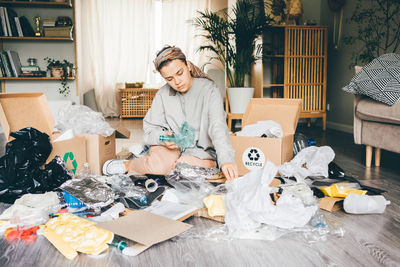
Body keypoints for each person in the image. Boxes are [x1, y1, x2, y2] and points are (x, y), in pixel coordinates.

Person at [103, 46, 239, 181]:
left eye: (180, 73)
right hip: (169, 148)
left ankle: (210, 163)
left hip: (201, 151)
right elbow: (150, 131)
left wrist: (226, 159)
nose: (177, 82)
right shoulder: (163, 94)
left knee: (183, 168)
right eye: (169, 79)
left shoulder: (209, 90)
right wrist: (163, 137)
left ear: (188, 65)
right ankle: (128, 165)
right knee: (159, 167)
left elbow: (217, 126)